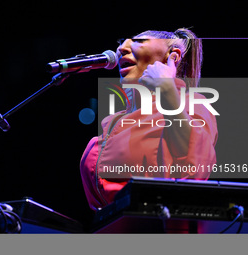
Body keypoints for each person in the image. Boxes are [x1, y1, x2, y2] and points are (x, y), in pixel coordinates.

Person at [80, 28, 218, 211]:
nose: (121, 48)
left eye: (139, 41)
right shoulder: (112, 122)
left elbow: (195, 171)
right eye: (120, 43)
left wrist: (167, 90)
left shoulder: (192, 103)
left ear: (172, 56)